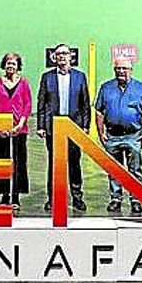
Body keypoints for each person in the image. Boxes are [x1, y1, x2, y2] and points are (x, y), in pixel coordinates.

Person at [94, 57, 142, 216]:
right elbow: (99, 111)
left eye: (124, 69)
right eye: (118, 69)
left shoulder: (140, 88)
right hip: (112, 136)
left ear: (131, 70)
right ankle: (116, 198)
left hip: (133, 136)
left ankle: (136, 200)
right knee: (114, 170)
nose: (121, 72)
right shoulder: (105, 88)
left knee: (135, 169)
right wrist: (100, 133)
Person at [36, 43, 91, 211]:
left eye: (65, 53)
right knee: (54, 164)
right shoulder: (47, 77)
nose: (61, 56)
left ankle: (77, 198)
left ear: (70, 56)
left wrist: (86, 126)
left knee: (74, 164)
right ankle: (53, 199)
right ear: (54, 57)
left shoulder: (80, 76)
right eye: (58, 54)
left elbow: (85, 104)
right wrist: (41, 126)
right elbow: (42, 102)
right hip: (53, 128)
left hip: (74, 127)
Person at [0, 52, 32, 209]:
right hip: (1, 131)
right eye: (8, 63)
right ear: (4, 65)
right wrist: (0, 127)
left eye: (13, 64)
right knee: (2, 162)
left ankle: (16, 197)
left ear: (18, 66)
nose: (10, 66)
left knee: (19, 162)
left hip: (19, 130)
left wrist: (20, 123)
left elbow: (27, 104)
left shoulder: (24, 83)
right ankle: (4, 195)